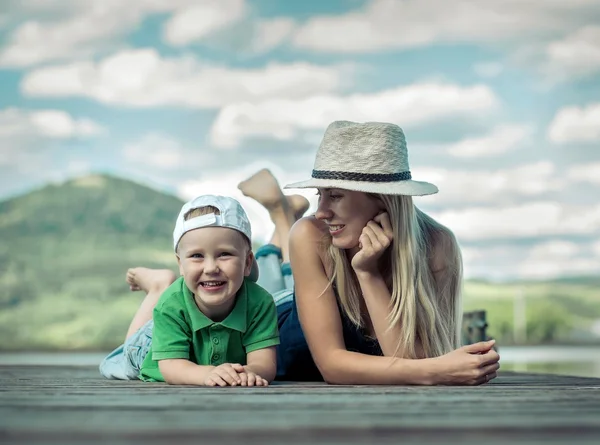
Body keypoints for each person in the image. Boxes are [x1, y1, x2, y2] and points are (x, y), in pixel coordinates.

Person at [238, 120, 500, 385]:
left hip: (318, 274)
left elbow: (413, 360)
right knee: (273, 275)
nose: (321, 211)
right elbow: (333, 366)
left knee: (292, 262)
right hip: (283, 323)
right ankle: (283, 218)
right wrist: (435, 371)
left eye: (336, 196)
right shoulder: (310, 233)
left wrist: (367, 273)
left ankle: (284, 216)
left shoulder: (438, 245)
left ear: (382, 198)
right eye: (321, 194)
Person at [99, 195, 280, 387]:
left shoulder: (260, 303)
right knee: (129, 351)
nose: (211, 268)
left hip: (184, 334)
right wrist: (207, 374)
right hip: (150, 349)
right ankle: (158, 287)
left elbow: (264, 363)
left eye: (224, 254)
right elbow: (171, 367)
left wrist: (249, 373)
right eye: (196, 256)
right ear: (181, 265)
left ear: (248, 262)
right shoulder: (171, 305)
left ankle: (161, 285)